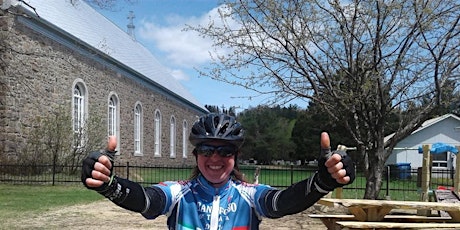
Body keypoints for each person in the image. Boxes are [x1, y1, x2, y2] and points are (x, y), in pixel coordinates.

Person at [82, 113, 355, 230]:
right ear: (195, 155)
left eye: (225, 151)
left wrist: (321, 182)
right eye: (206, 150)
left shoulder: (249, 195)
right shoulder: (179, 193)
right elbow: (147, 199)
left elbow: (282, 202)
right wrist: (109, 185)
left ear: (235, 157)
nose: (215, 158)